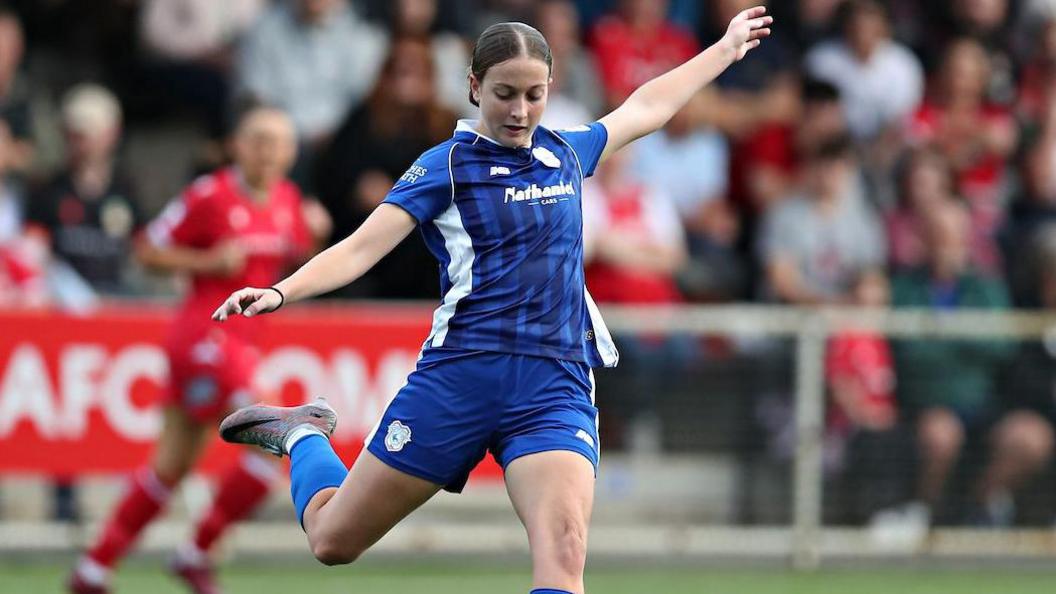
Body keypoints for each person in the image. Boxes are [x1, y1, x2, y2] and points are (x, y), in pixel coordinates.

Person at [211, 9, 772, 594]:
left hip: (553, 385)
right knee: (332, 540)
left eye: (534, 94)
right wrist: (281, 290)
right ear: (475, 86)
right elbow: (358, 250)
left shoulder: (568, 152)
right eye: (504, 93)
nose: (520, 110)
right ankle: (303, 436)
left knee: (565, 550)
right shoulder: (445, 167)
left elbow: (647, 106)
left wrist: (725, 49)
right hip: (460, 378)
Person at [67, 106, 331, 594]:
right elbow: (146, 249)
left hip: (239, 342)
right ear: (237, 145)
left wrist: (313, 236)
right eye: (258, 140)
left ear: (292, 152)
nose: (268, 152)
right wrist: (208, 260)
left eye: (278, 142)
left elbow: (293, 261)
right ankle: (196, 551)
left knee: (170, 466)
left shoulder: (289, 201)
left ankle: (93, 569)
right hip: (204, 337)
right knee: (274, 435)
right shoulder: (209, 195)